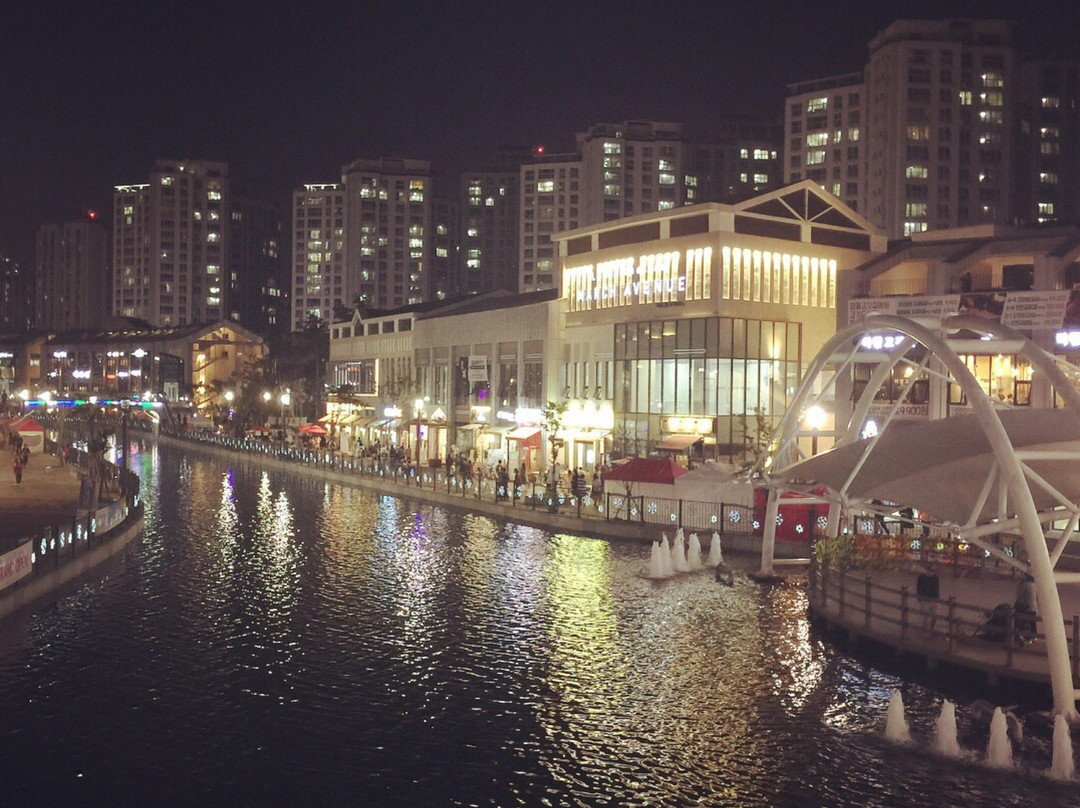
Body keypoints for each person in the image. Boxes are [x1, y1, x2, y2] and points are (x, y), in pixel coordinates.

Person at [915, 565, 940, 633]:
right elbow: (918, 587)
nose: (930, 573)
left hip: (933, 600)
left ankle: (931, 628)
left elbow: (936, 590)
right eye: (929, 571)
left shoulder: (935, 578)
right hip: (924, 599)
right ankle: (927, 629)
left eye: (932, 572)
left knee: (935, 616)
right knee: (926, 616)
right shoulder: (921, 577)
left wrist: (936, 601)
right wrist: (919, 598)